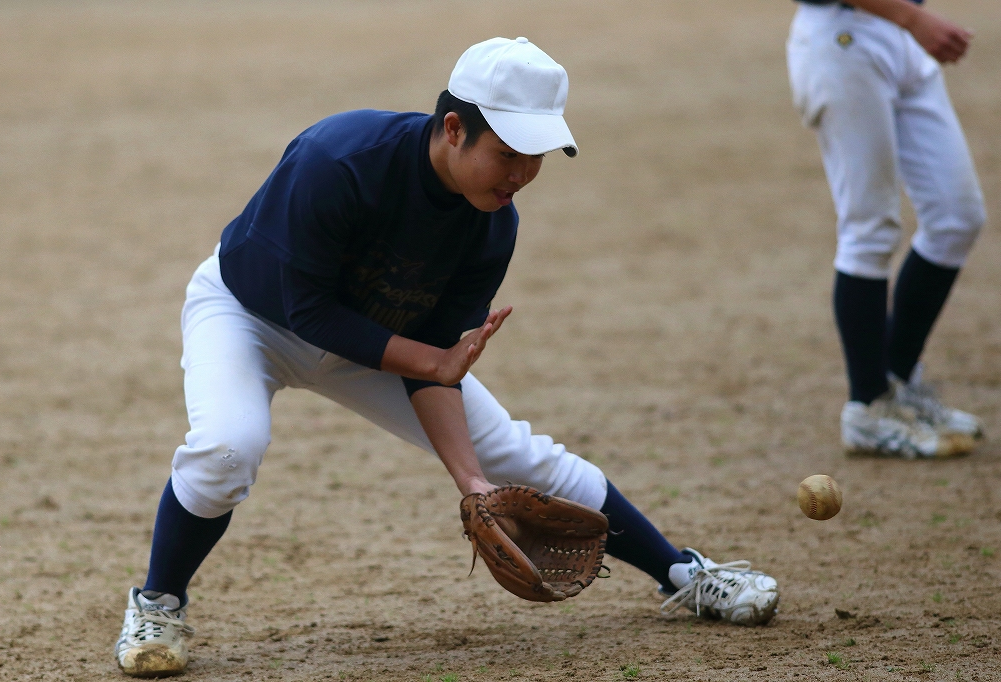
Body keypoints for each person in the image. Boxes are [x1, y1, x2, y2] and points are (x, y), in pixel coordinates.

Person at [113, 37, 779, 678]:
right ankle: (158, 604)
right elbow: (312, 314)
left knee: (517, 457)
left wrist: (471, 481)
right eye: (510, 151)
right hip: (251, 318)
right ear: (454, 128)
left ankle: (683, 573)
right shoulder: (338, 160)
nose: (522, 173)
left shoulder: (493, 221)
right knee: (228, 448)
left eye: (539, 155)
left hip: (377, 341)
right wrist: (429, 363)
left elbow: (443, 361)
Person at [786, 0, 987, 458]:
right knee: (869, 230)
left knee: (957, 218)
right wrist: (915, 19)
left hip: (900, 35)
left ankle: (895, 382)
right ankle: (868, 406)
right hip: (845, 37)